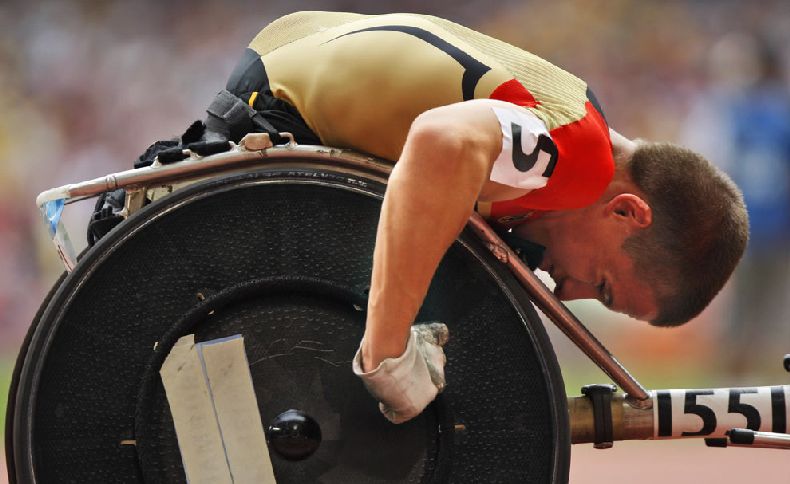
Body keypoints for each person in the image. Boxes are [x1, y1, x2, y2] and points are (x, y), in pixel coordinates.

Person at [112, 11, 749, 424]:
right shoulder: (579, 156)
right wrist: (386, 349)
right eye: (603, 286)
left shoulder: (575, 126)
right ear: (628, 212)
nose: (569, 293)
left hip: (281, 74)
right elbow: (442, 142)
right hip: (278, 116)